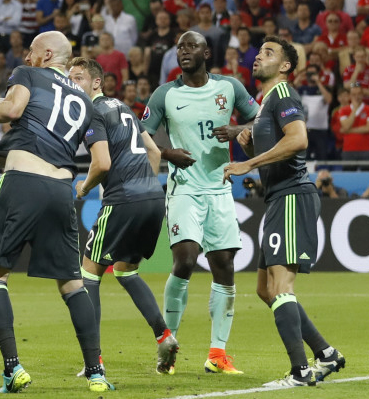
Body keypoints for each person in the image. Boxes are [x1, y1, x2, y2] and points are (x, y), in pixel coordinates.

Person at [0, 31, 113, 393]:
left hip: (21, 186)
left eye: (32, 52)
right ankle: (96, 373)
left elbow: (12, 109)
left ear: (47, 54)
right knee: (72, 283)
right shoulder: (85, 100)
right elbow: (51, 138)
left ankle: (13, 368)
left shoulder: (29, 74)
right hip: (61, 191)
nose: (27, 57)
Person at [224, 37, 345, 387]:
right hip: (278, 198)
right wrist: (253, 144)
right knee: (265, 289)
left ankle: (299, 372)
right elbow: (280, 144)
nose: (259, 56)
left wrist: (249, 161)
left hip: (293, 197)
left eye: (269, 53)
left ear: (286, 67)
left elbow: (298, 139)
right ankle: (325, 353)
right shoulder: (265, 104)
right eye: (259, 51)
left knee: (281, 286)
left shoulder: (284, 95)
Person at [140, 30, 259, 374]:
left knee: (224, 265)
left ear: (206, 53)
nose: (183, 51)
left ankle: (217, 354)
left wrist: (238, 131)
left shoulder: (229, 88)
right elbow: (139, 133)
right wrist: (166, 152)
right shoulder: (166, 94)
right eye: (179, 47)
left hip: (220, 189)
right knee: (186, 260)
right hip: (185, 188)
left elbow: (260, 119)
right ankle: (169, 345)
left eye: (191, 46)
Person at [68, 57, 178, 375]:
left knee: (88, 273)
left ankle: (94, 361)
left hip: (123, 200)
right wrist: (146, 187)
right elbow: (155, 152)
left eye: (78, 78)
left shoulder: (93, 112)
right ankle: (164, 335)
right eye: (69, 79)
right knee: (125, 269)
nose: (72, 84)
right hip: (153, 197)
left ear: (96, 83)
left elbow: (101, 164)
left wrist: (83, 187)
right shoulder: (124, 108)